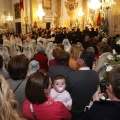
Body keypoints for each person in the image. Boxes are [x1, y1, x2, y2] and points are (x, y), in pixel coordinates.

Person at [67, 50, 99, 120]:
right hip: (89, 110)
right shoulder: (95, 75)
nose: (76, 59)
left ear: (82, 61)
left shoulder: (72, 76)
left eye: (78, 57)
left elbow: (67, 92)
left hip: (75, 111)